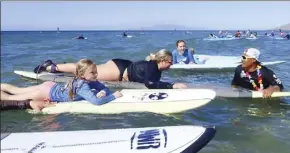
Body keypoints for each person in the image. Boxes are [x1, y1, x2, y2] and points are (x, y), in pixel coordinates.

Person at [32, 49, 187, 89]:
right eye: (170, 62)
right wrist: (172, 85)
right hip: (119, 70)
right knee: (85, 71)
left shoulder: (154, 66)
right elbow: (150, 83)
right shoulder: (153, 66)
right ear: (163, 60)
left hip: (122, 66)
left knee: (87, 71)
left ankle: (57, 66)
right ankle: (51, 66)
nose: (171, 65)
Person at [2, 59, 122, 105]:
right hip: (47, 93)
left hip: (51, 86)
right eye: (92, 73)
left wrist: (104, 92)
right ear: (82, 75)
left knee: (17, 91)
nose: (96, 74)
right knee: (13, 97)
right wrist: (113, 96)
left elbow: (102, 87)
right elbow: (96, 102)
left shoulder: (89, 80)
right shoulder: (83, 86)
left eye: (96, 71)